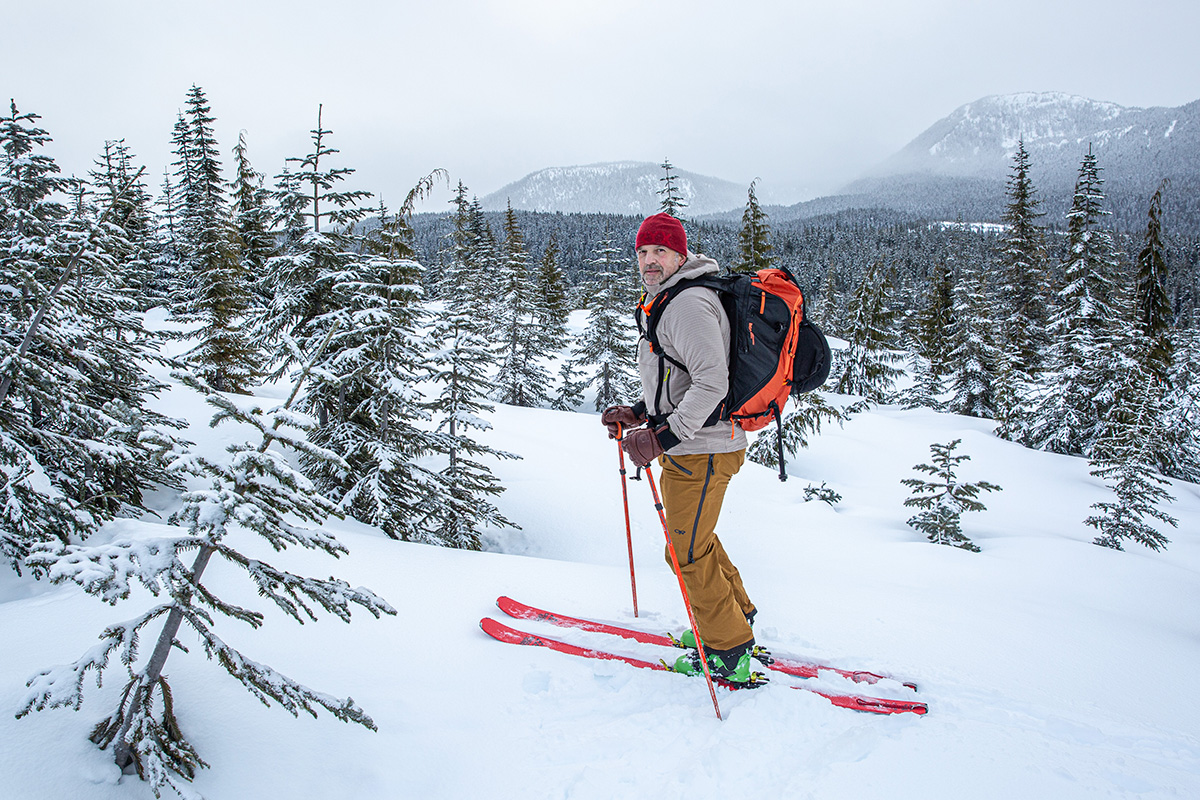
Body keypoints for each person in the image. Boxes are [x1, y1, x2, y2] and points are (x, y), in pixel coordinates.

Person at [601, 212, 758, 685]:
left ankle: (727, 651)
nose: (650, 261)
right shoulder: (668, 299)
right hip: (696, 448)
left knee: (685, 551)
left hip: (702, 450)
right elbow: (681, 379)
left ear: (681, 255)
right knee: (694, 544)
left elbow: (712, 383)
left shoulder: (687, 303)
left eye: (661, 252)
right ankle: (733, 620)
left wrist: (660, 437)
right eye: (643, 252)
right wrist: (641, 413)